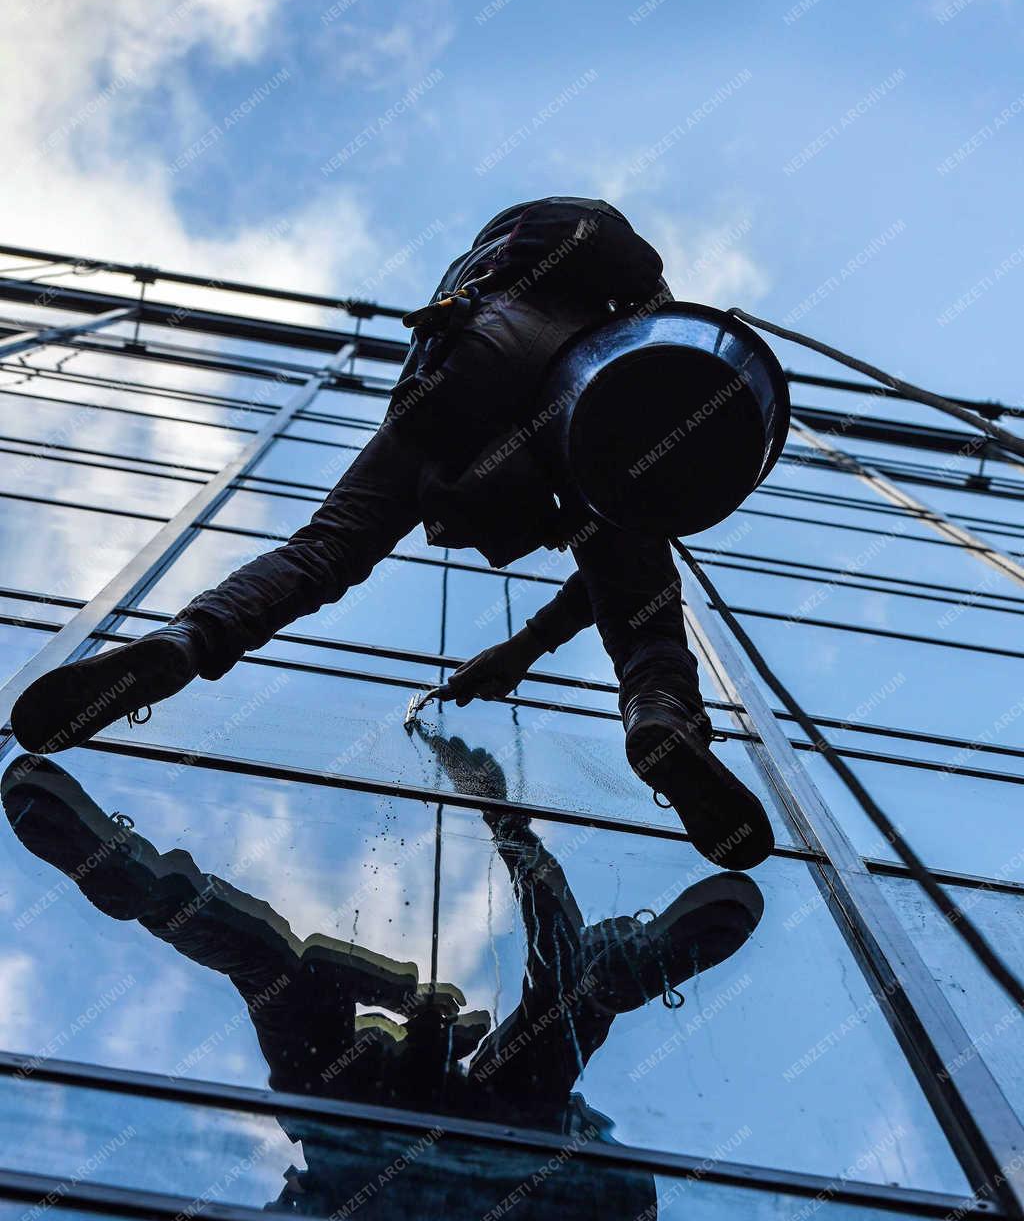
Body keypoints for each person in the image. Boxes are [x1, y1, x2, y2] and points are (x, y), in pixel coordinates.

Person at [9, 196, 773, 870]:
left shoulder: (483, 274)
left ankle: (186, 643)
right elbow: (653, 330)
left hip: (457, 402)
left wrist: (519, 650)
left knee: (326, 550)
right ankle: (660, 715)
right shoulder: (601, 257)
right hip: (579, 425)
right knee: (644, 593)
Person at [1, 739, 763, 1221]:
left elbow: (540, 958)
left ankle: (120, 871)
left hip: (418, 1134)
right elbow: (551, 967)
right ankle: (617, 974)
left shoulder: (417, 1187)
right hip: (452, 1141)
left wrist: (500, 827)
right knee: (548, 1002)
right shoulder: (497, 1145)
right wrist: (502, 821)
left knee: (277, 965)